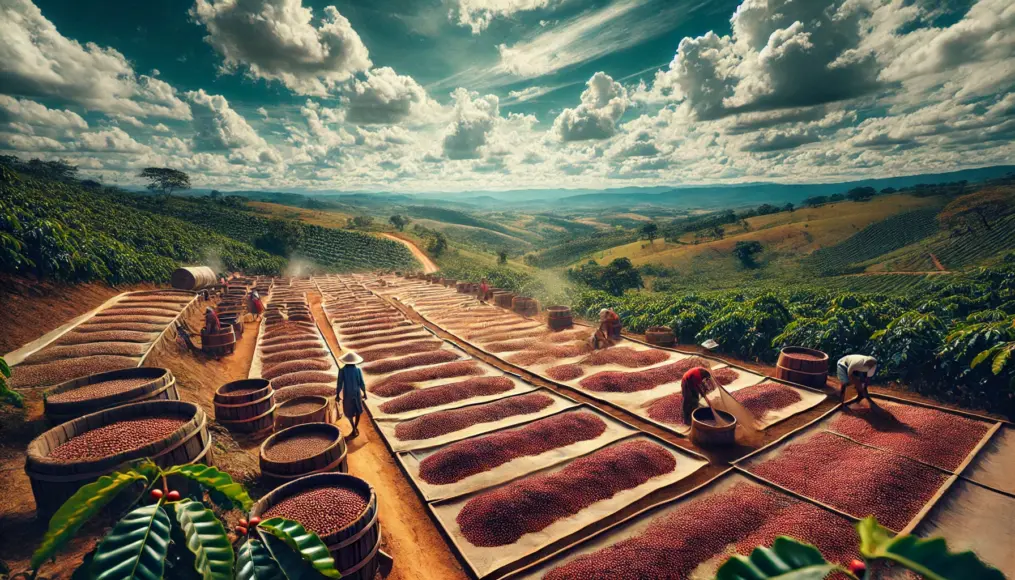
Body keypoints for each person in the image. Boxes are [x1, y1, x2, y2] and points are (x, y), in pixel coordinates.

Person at [338, 351, 368, 437]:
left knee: (348, 412)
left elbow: (339, 383)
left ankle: (353, 427)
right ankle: (355, 427)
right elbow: (361, 382)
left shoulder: (342, 370)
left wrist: (337, 395)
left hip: (347, 394)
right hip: (357, 393)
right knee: (357, 410)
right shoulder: (357, 370)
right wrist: (364, 393)